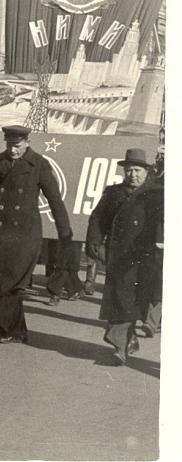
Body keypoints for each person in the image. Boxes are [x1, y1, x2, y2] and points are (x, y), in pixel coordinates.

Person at [0, 125, 72, 349]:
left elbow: (55, 200)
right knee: (5, 282)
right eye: (9, 145)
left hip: (25, 235)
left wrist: (65, 232)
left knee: (13, 283)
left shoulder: (39, 164)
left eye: (17, 146)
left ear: (27, 142)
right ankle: (17, 331)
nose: (12, 150)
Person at [85, 148, 163, 365]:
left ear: (146, 171)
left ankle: (124, 343)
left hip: (144, 257)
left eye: (137, 170)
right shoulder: (113, 193)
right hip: (118, 255)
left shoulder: (157, 193)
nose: (133, 175)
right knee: (121, 298)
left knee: (129, 299)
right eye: (129, 170)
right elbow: (98, 218)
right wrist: (93, 241)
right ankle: (124, 344)